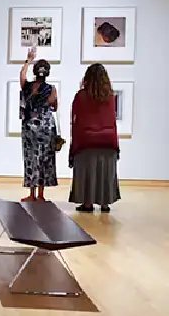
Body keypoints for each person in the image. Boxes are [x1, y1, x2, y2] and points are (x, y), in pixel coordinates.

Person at [69, 63, 120, 212]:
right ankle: (105, 203)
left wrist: (74, 147)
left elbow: (76, 120)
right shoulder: (110, 96)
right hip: (108, 140)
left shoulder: (81, 96)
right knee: (106, 172)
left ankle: (87, 203)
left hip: (87, 140)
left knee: (87, 172)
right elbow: (112, 120)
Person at [18, 47, 58, 201]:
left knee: (31, 159)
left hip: (29, 128)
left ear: (35, 72)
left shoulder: (27, 87)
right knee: (44, 159)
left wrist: (28, 60)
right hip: (45, 129)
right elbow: (54, 106)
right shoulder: (51, 89)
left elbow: (21, 75)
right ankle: (41, 195)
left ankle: (32, 194)